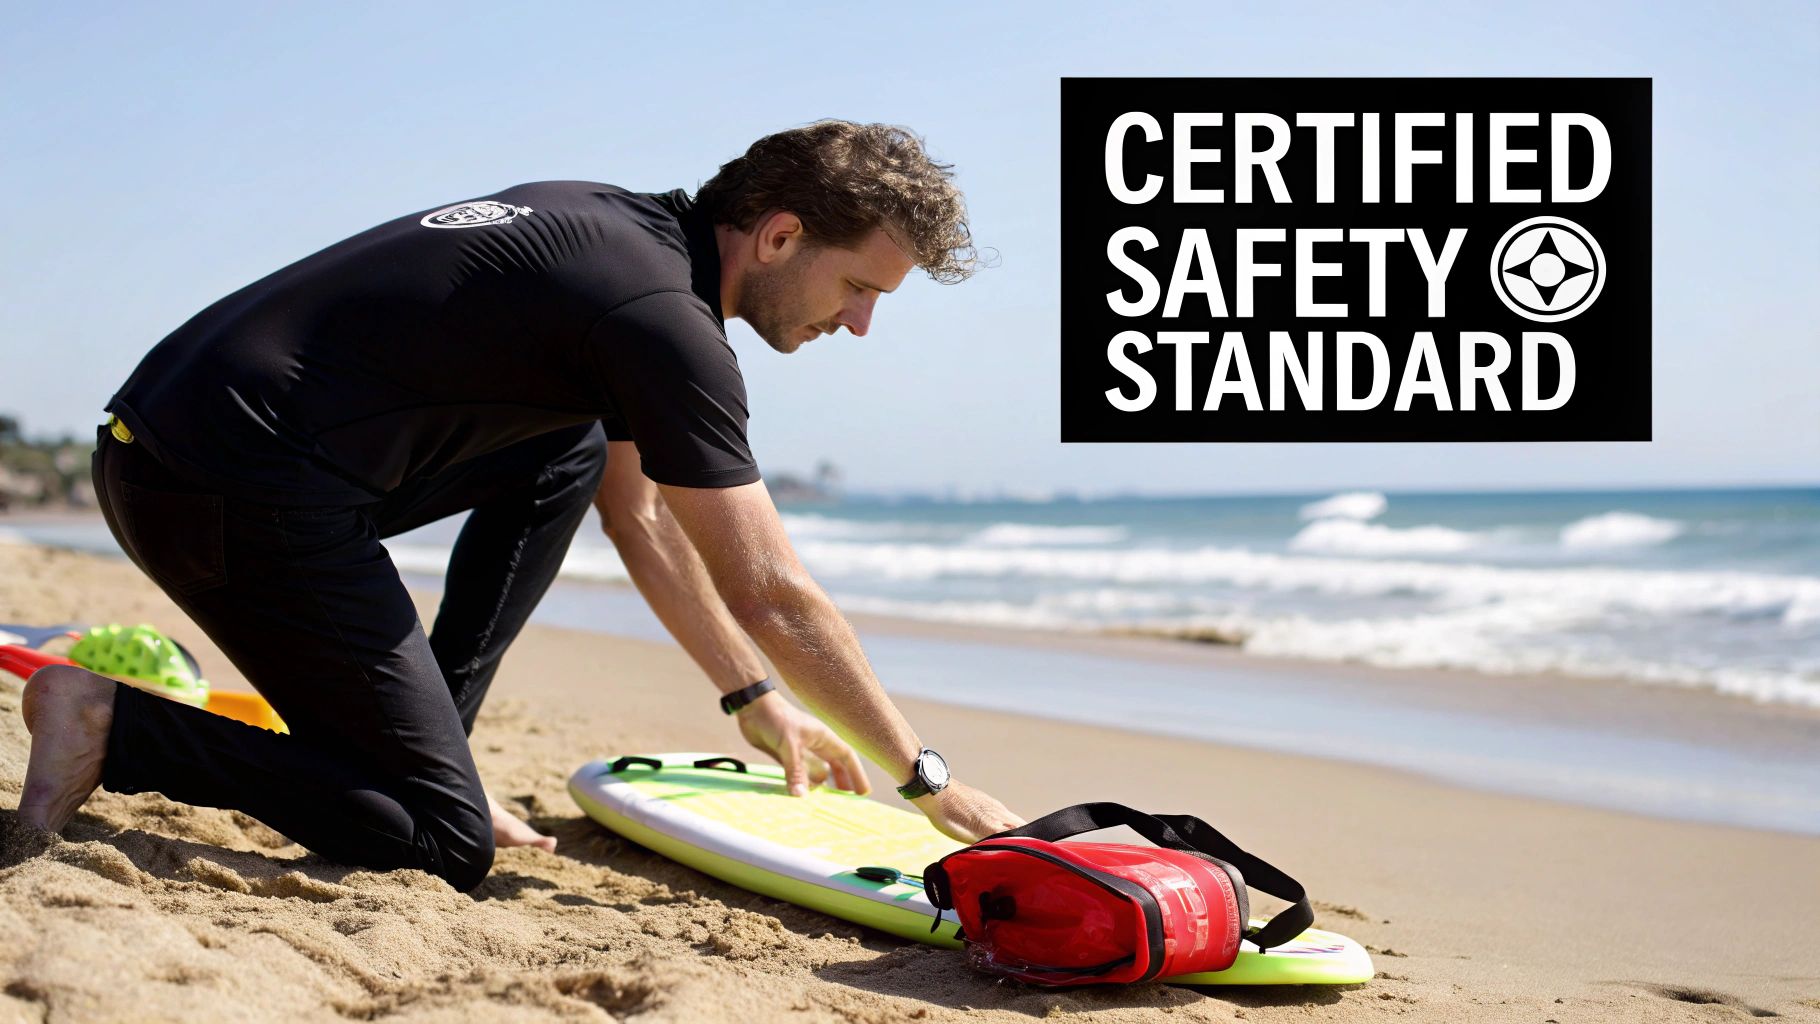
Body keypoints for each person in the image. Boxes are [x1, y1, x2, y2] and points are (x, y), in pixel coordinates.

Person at [19, 120, 1023, 891]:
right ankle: (114, 724)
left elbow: (633, 515)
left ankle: (428, 755)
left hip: (183, 453)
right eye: (856, 287)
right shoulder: (663, 322)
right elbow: (770, 591)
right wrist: (926, 778)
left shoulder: (611, 228)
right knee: (444, 841)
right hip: (228, 487)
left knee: (566, 450)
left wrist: (753, 701)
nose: (857, 325)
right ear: (779, 234)